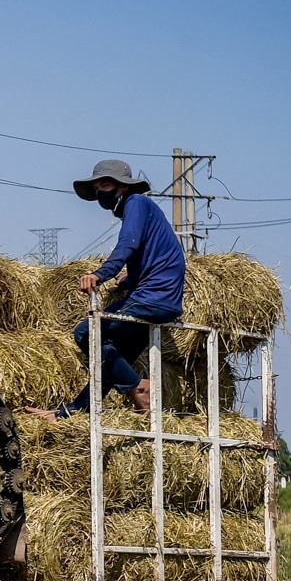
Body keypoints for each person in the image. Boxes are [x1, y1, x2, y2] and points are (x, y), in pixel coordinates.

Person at [36, 158, 187, 420]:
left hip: (152, 297)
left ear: (123, 187)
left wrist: (100, 274)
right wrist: (128, 280)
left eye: (104, 185)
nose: (99, 193)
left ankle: (139, 387)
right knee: (113, 363)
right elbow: (153, 257)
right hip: (160, 298)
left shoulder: (136, 203)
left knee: (85, 333)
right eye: (96, 189)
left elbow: (128, 244)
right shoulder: (143, 211)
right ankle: (72, 412)